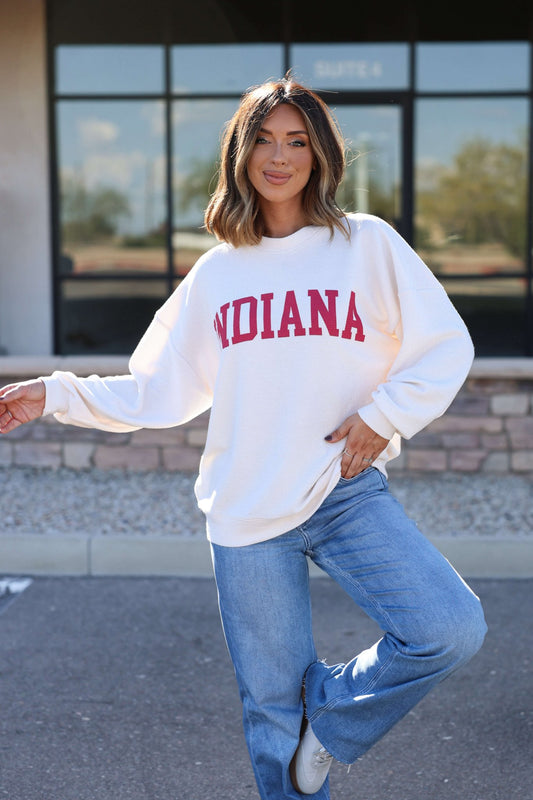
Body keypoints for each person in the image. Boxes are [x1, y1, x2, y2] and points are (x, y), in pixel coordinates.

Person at [0, 77, 486, 799]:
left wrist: (385, 415)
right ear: (240, 151)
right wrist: (55, 393)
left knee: (449, 627)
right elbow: (156, 390)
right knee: (269, 717)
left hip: (343, 493)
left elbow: (446, 344)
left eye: (295, 140)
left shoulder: (366, 244)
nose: (279, 156)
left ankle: (330, 717)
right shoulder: (217, 274)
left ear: (319, 154)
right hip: (247, 515)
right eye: (262, 138)